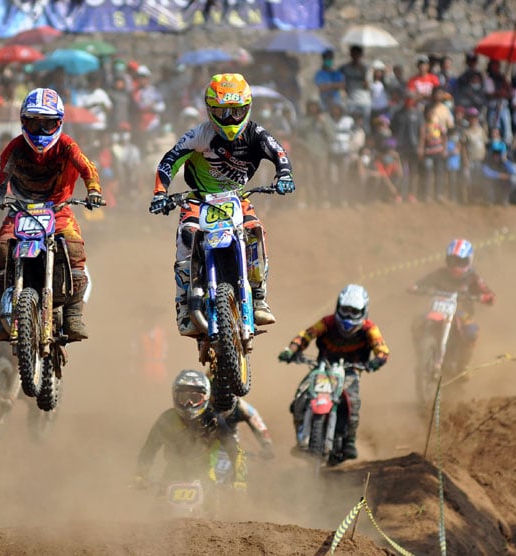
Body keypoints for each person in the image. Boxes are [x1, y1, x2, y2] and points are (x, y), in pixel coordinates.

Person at [149, 73, 295, 336]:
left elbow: (279, 152)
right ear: (209, 109)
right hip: (198, 198)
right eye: (221, 112)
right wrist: (161, 192)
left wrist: (284, 175)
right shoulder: (199, 135)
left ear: (247, 108)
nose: (229, 119)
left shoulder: (255, 133)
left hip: (238, 197)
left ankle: (259, 296)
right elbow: (169, 161)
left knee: (255, 231)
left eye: (235, 112)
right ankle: (184, 305)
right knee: (187, 236)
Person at [0, 87, 104, 342]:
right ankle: (3, 314)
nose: (42, 131)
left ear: (59, 123)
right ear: (24, 122)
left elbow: (88, 168)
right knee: (3, 250)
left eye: (48, 124)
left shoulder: (67, 146)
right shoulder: (15, 147)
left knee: (75, 249)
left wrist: (94, 191)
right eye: (35, 124)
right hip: (20, 208)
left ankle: (73, 315)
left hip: (58, 209)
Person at [278, 284, 389, 461]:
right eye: (345, 310)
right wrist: (291, 350)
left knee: (353, 402)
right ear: (338, 306)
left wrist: (376, 361)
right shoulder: (327, 322)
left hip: (351, 370)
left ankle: (349, 442)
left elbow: (382, 349)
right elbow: (306, 335)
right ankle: (301, 435)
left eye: (354, 311)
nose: (348, 316)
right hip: (323, 366)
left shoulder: (369, 329)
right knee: (300, 396)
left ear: (363, 311)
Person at [133, 370, 247, 491]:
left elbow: (235, 451)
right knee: (158, 508)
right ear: (175, 396)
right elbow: (149, 449)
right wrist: (140, 475)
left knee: (215, 508)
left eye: (194, 398)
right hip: (171, 478)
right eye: (184, 398)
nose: (189, 404)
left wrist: (240, 480)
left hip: (205, 479)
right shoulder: (167, 419)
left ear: (205, 397)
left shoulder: (214, 420)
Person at [409, 239, 495, 373]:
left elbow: (487, 292)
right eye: (453, 261)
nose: (456, 267)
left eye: (461, 262)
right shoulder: (441, 273)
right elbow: (422, 282)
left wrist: (486, 297)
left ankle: (463, 365)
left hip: (462, 312)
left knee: (472, 332)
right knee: (417, 323)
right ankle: (422, 354)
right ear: (447, 260)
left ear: (469, 261)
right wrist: (415, 287)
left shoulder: (472, 277)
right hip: (438, 310)